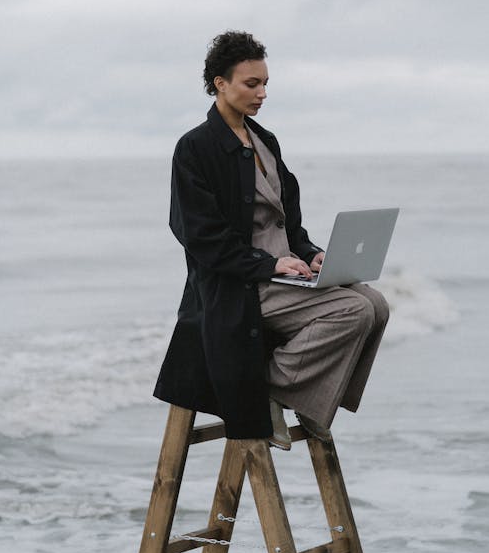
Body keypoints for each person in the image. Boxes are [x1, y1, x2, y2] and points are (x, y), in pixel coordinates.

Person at [153, 31, 389, 447]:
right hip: (237, 287)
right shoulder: (195, 148)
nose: (262, 93)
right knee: (353, 311)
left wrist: (313, 255)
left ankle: (314, 402)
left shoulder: (265, 141)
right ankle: (274, 390)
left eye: (265, 83)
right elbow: (199, 237)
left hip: (283, 276)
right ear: (219, 83)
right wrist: (269, 265)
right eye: (251, 84)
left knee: (377, 305)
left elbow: (289, 227)